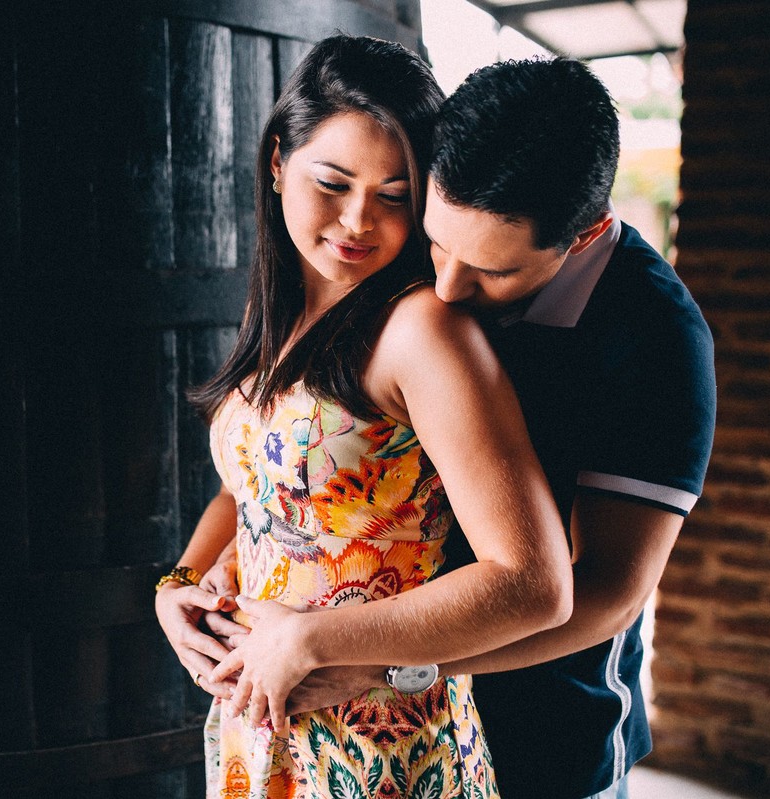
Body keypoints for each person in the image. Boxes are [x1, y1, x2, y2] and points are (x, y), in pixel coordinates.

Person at [242, 58, 717, 799]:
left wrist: (390, 665)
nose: (447, 287)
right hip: (375, 728)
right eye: (438, 243)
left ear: (585, 233)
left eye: (492, 271)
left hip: (549, 732)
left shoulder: (655, 338)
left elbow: (608, 592)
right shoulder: (408, 249)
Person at [153, 35, 574, 798]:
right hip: (261, 730)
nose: (357, 222)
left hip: (382, 744)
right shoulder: (280, 306)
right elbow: (256, 486)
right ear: (278, 161)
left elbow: (535, 581)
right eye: (333, 182)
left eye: (393, 196)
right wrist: (180, 580)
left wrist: (313, 637)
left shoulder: (423, 331)